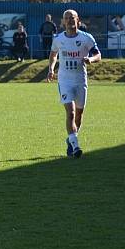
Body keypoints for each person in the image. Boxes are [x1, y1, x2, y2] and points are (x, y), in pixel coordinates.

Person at [46, 9, 101, 158]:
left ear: (78, 20)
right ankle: (75, 146)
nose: (69, 20)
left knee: (79, 114)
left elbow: (98, 54)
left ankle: (70, 139)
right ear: (63, 22)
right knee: (70, 112)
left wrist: (91, 59)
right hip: (65, 80)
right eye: (66, 18)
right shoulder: (58, 39)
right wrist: (51, 69)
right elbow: (53, 55)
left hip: (80, 80)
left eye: (72, 18)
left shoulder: (86, 38)